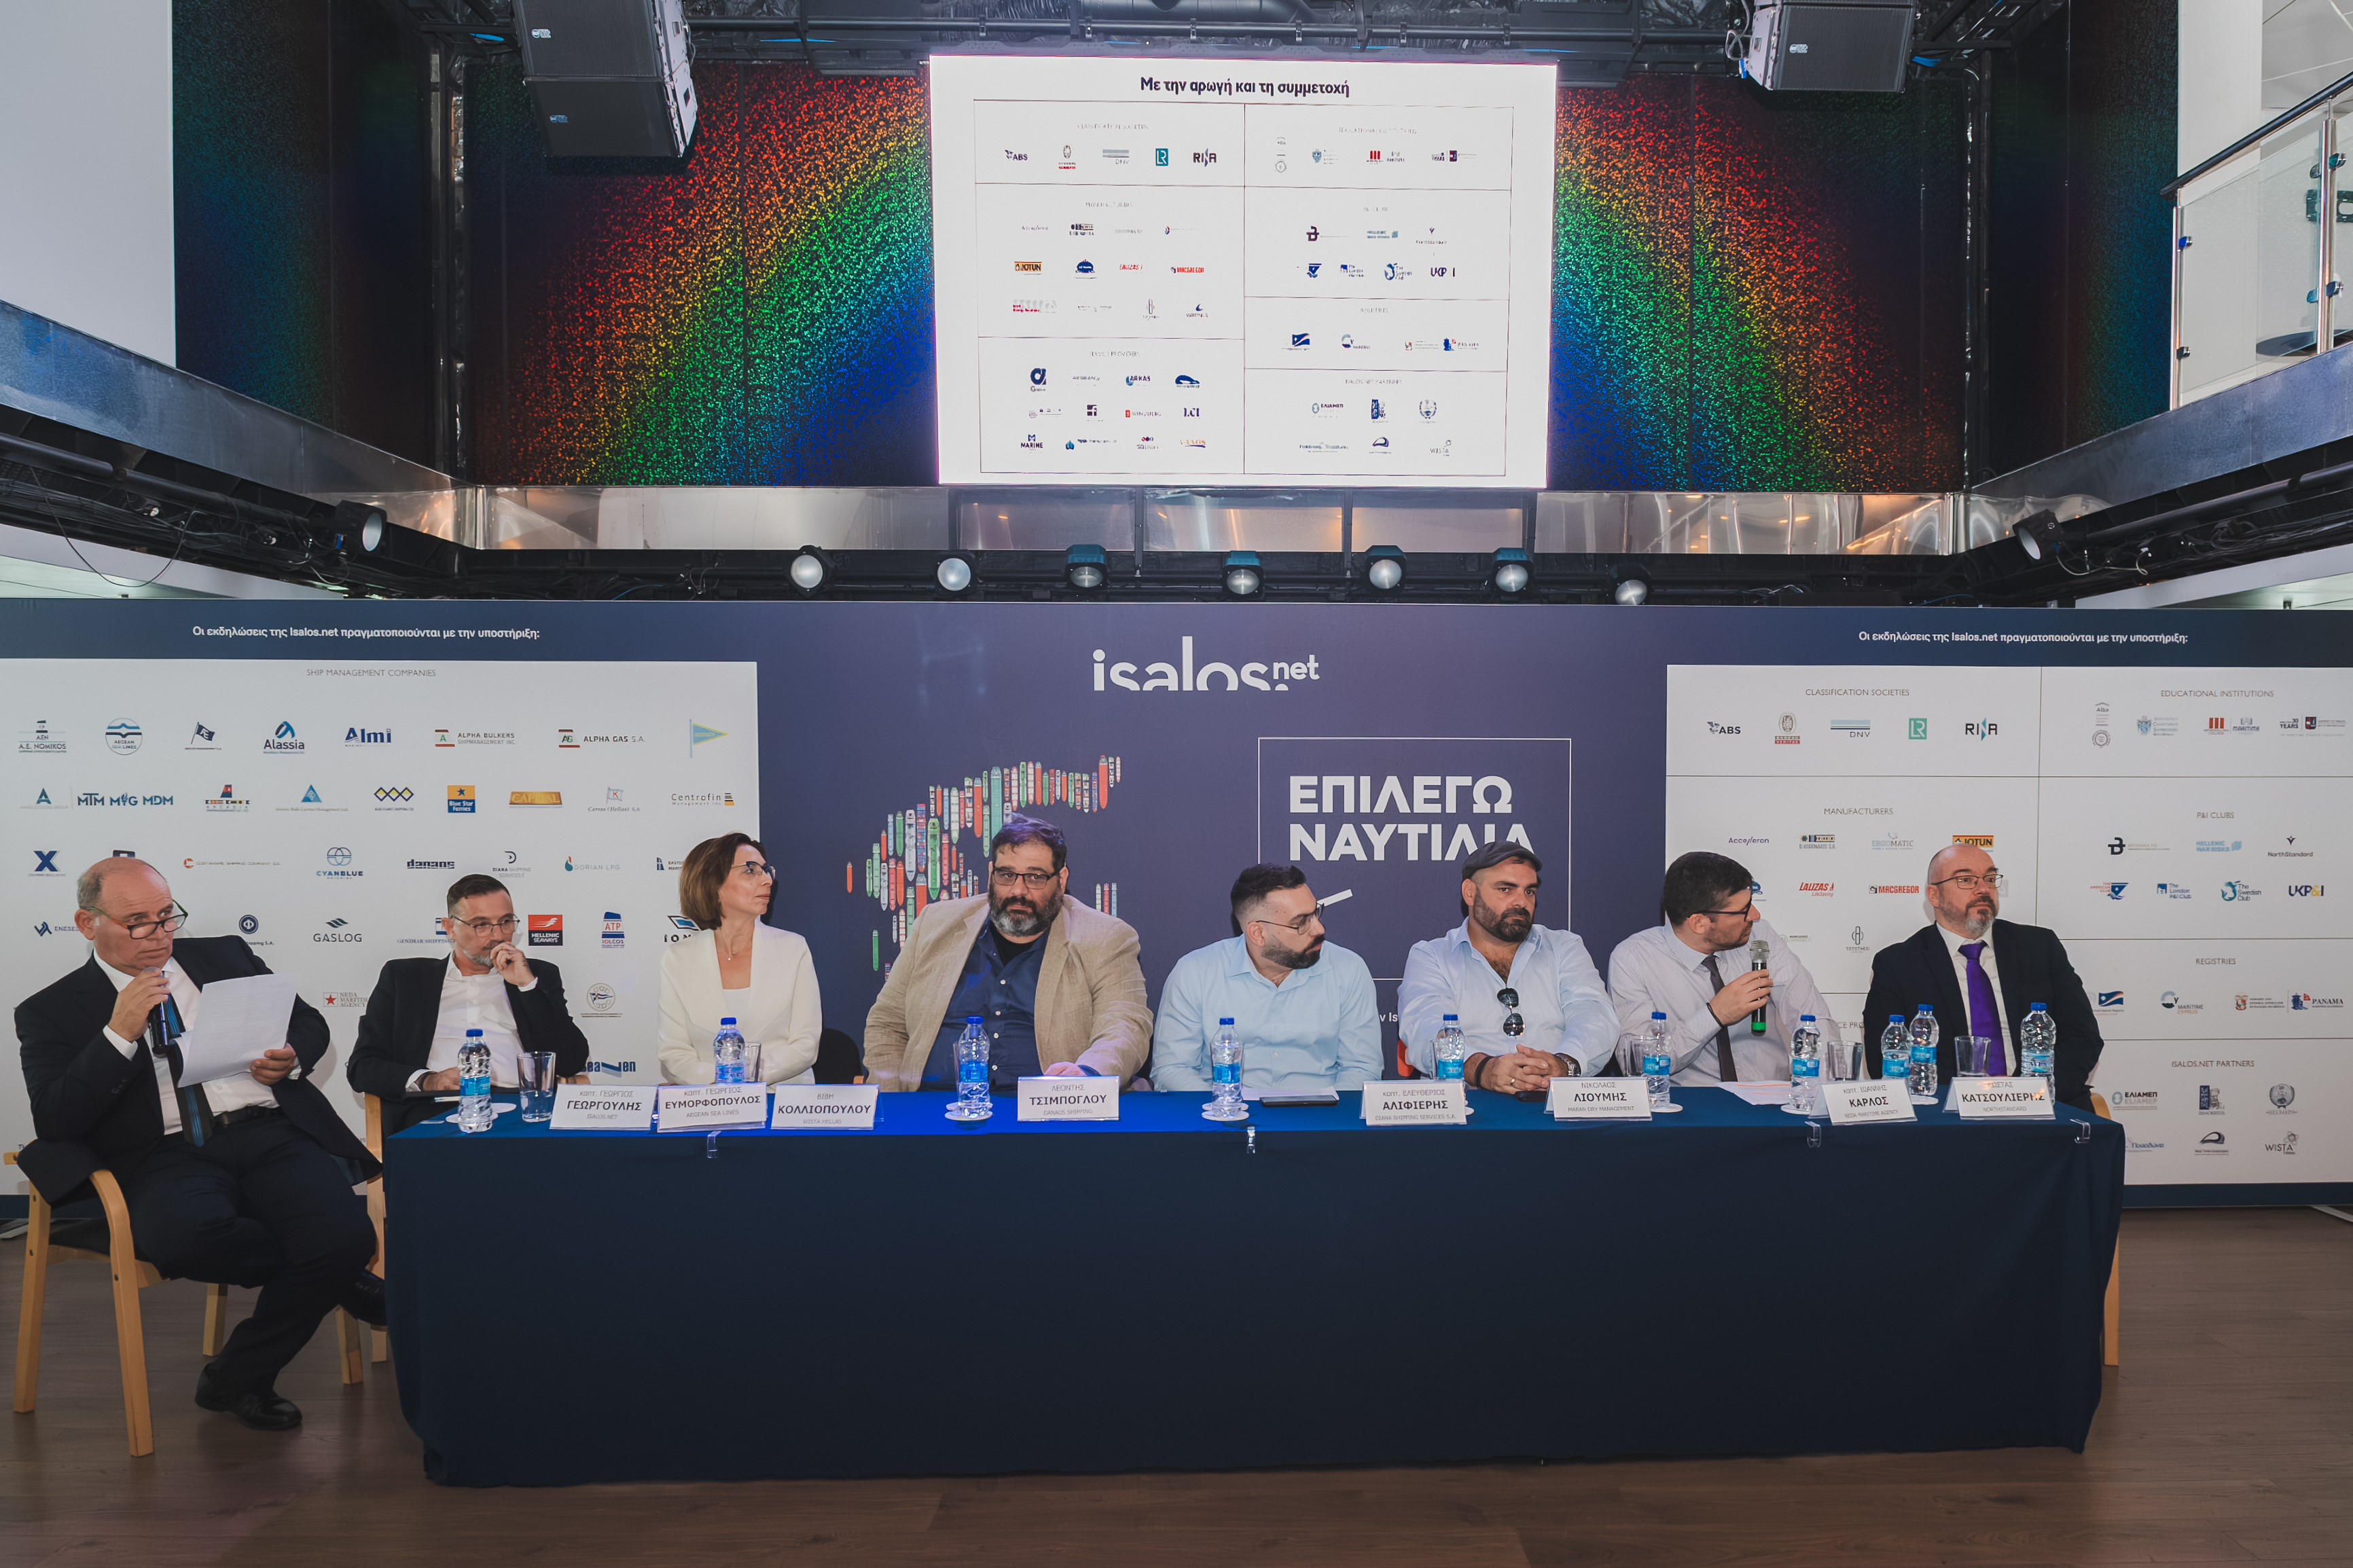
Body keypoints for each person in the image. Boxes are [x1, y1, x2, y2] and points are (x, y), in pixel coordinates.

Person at [14, 858, 380, 1432]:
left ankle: (237, 1376)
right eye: (138, 922)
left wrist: (289, 1055)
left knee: (348, 1235)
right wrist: (117, 1034)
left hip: (264, 1129)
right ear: (88, 923)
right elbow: (57, 1117)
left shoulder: (225, 955)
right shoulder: (49, 1010)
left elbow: (308, 1022)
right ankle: (333, 1273)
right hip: (161, 1153)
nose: (159, 933)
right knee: (190, 1237)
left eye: (167, 915)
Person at [863, 815, 1151, 1090]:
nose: (1018, 890)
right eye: (1007, 875)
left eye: (1035, 877)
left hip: (1048, 1109)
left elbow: (1125, 1026)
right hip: (933, 1105)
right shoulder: (935, 924)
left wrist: (1087, 1073)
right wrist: (890, 1100)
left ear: (1061, 880)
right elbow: (889, 1023)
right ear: (991, 874)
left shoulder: (1105, 938)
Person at [346, 873, 592, 1134]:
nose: (498, 935)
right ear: (450, 928)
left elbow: (570, 1062)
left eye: (506, 922)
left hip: (518, 1111)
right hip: (432, 1110)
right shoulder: (405, 978)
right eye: (481, 925)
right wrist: (427, 1080)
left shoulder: (537, 975)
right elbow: (363, 1066)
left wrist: (527, 986)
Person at [1863, 841, 2102, 1109]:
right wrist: (1972, 1100)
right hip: (1948, 1116)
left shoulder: (2039, 947)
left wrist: (2026, 1094)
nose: (1983, 889)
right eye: (1966, 880)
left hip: (2041, 1105)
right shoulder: (1898, 964)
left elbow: (2083, 1038)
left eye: (1990, 879)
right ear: (1934, 895)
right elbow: (1883, 1059)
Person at [1606, 850, 1844, 1086]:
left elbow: (1812, 1017)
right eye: (1743, 910)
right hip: (1687, 1101)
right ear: (1699, 923)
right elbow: (1639, 1064)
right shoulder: (1633, 959)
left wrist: (1822, 1091)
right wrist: (1714, 1015)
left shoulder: (1759, 937)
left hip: (1769, 1096)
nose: (1755, 915)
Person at [1153, 864, 1383, 1098]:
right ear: (1258, 933)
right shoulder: (1195, 973)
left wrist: (1326, 1109)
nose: (1319, 929)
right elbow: (1172, 1070)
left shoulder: (1347, 969)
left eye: (1316, 913)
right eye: (1301, 922)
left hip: (1323, 1114)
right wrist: (1226, 1106)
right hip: (1224, 1113)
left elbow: (1362, 1068)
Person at [1398, 842, 1615, 1090]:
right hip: (1469, 1104)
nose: (1521, 902)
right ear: (1470, 893)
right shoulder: (1432, 956)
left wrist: (1563, 1065)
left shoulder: (1564, 947)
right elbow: (1425, 1029)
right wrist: (1482, 1069)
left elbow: (1595, 1017)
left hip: (1554, 1100)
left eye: (1529, 891)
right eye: (1505, 889)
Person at [658, 833, 822, 1085]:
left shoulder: (793, 949)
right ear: (713, 884)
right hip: (709, 1101)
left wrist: (738, 1077)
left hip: (780, 1101)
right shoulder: (678, 959)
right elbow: (674, 1053)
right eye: (750, 871)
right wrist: (719, 1086)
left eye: (766, 871)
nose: (767, 880)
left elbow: (805, 1045)